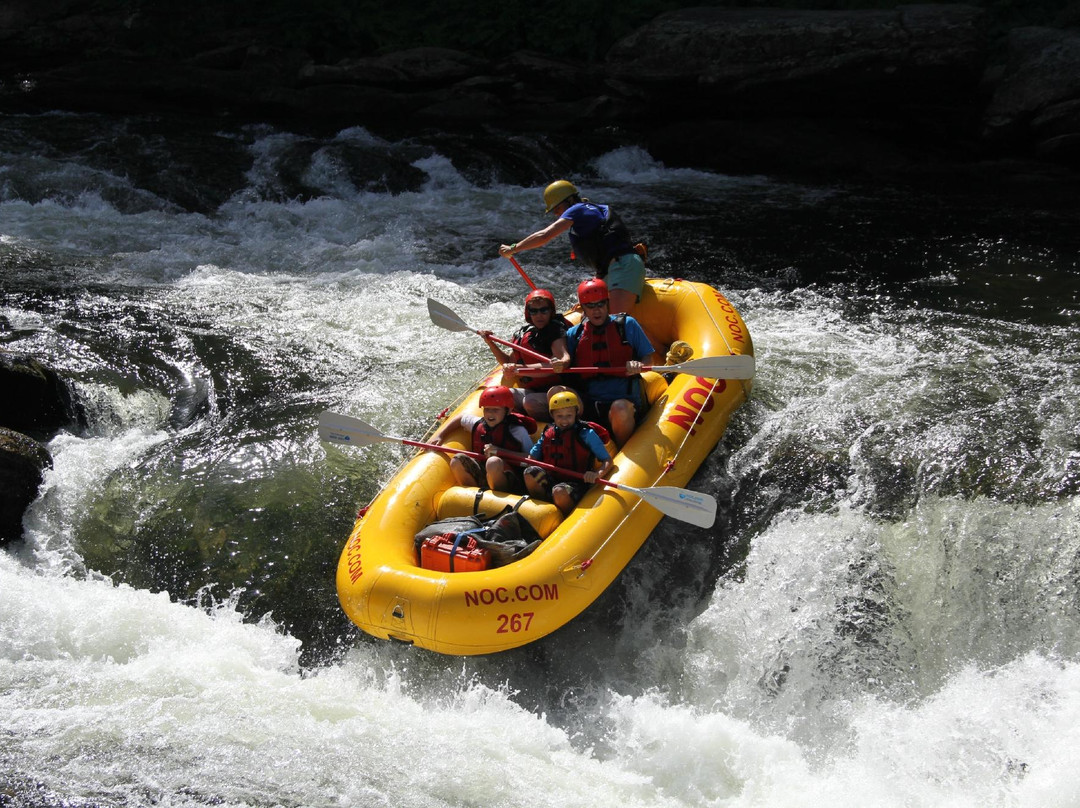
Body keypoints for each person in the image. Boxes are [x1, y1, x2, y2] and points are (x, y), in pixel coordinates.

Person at [498, 180, 647, 315]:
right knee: (589, 321)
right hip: (613, 269)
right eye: (553, 210)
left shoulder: (577, 210)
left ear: (570, 200)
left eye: (557, 207)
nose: (556, 213)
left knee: (615, 322)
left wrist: (513, 248)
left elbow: (544, 236)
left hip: (623, 266)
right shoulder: (590, 212)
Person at [551, 278, 659, 447]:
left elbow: (648, 358)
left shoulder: (627, 325)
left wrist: (639, 365)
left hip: (624, 399)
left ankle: (624, 451)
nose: (597, 311)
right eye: (590, 306)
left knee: (620, 408)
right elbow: (566, 362)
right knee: (556, 391)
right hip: (589, 403)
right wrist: (560, 364)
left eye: (601, 304)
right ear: (583, 308)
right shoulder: (575, 333)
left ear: (608, 303)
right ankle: (574, 443)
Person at [477, 288, 571, 420]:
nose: (539, 315)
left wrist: (519, 371)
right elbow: (507, 361)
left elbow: (559, 361)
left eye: (544, 310)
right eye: (534, 311)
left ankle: (552, 429)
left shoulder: (555, 331)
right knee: (502, 395)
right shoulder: (525, 333)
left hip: (559, 391)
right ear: (528, 313)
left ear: (551, 311)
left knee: (530, 401)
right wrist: (490, 343)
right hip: (534, 390)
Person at [524, 390, 614, 516]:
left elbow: (607, 460)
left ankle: (565, 517)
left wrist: (597, 473)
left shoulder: (586, 434)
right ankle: (542, 510)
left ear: (576, 414)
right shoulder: (548, 433)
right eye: (559, 416)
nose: (564, 420)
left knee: (559, 491)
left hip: (577, 482)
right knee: (530, 473)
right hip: (552, 478)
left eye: (569, 415)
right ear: (552, 415)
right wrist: (530, 461)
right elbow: (532, 457)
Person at [432, 385, 535, 492]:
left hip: (511, 479)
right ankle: (472, 495)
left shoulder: (517, 431)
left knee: (493, 462)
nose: (490, 414)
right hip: (485, 473)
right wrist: (440, 435)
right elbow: (460, 418)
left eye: (496, 410)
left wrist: (500, 452)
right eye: (487, 409)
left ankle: (498, 498)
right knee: (457, 460)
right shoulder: (478, 424)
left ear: (508, 411)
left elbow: (531, 459)